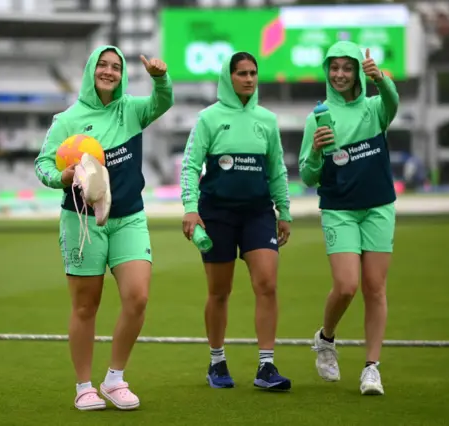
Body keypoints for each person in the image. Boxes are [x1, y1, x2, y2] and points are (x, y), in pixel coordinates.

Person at [34, 45, 174, 411]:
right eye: (103, 65)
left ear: (123, 73)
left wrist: (160, 78)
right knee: (85, 306)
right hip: (81, 222)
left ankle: (114, 379)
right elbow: (42, 165)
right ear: (90, 71)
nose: (109, 71)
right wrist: (61, 177)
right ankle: (83, 386)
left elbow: (163, 101)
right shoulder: (67, 120)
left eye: (116, 66)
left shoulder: (132, 110)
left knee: (138, 297)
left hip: (129, 217)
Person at [180, 52, 293, 391]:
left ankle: (266, 366)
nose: (248, 78)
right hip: (217, 214)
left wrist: (283, 211)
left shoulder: (267, 120)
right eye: (241, 73)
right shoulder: (208, 119)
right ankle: (217, 363)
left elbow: (277, 169)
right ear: (228, 78)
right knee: (219, 291)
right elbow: (189, 166)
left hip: (258, 213)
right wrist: (190, 207)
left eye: (253, 73)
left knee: (267, 284)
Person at [298, 41, 399, 396]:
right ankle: (325, 339)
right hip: (339, 208)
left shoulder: (375, 109)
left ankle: (372, 368)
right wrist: (314, 150)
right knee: (346, 286)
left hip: (379, 206)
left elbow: (393, 102)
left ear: (358, 71)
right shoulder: (317, 117)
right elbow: (308, 177)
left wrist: (381, 79)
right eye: (334, 67)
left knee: (375, 288)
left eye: (347, 67)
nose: (339, 74)